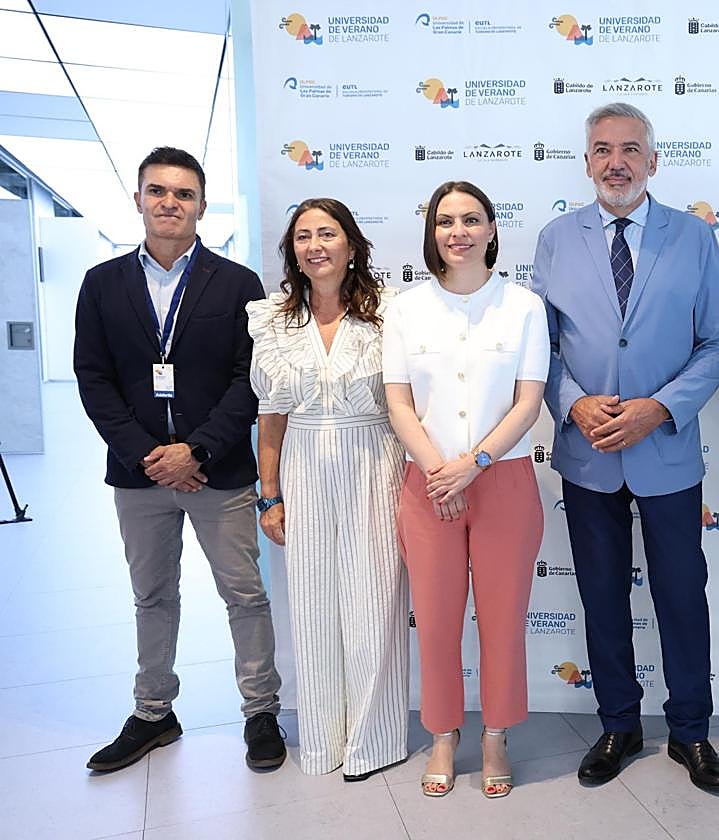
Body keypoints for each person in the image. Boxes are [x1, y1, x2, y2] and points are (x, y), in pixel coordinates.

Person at [532, 103, 719, 793]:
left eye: (629, 149)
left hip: (667, 452)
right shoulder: (558, 237)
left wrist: (661, 408)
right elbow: (545, 350)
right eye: (601, 149)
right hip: (588, 453)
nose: (614, 161)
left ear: (654, 160)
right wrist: (572, 403)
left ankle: (692, 732)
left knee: (683, 594)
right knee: (601, 595)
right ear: (586, 161)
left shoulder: (694, 237)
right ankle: (619, 722)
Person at [74, 147, 285, 772]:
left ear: (200, 205)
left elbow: (250, 380)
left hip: (217, 473)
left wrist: (196, 449)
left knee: (245, 595)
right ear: (138, 198)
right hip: (138, 478)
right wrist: (150, 456)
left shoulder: (237, 283)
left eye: (184, 194)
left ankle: (260, 712)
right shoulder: (102, 283)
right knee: (153, 597)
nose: (170, 203)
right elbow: (93, 379)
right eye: (158, 191)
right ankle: (153, 713)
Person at [384, 180, 548, 798]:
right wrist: (438, 471)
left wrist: (472, 465)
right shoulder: (405, 309)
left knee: (503, 619)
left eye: (471, 219)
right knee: (436, 620)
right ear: (432, 233)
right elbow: (398, 402)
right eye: (446, 221)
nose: (458, 231)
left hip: (501, 479)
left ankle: (496, 734)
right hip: (427, 482)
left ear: (491, 230)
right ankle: (444, 734)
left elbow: (528, 402)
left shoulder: (525, 307)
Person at [246, 198, 410, 780]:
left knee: (375, 607)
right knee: (312, 610)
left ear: (351, 243)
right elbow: (271, 413)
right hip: (304, 467)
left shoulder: (391, 313)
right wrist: (269, 494)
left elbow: (407, 405)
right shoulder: (272, 320)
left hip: (375, 464)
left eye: (328, 233)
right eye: (304, 237)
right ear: (293, 250)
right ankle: (322, 739)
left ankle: (375, 739)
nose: (316, 245)